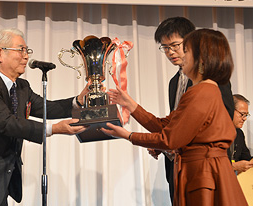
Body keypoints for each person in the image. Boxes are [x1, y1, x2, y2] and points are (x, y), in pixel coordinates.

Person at [0, 28, 88, 206]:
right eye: (21, 50)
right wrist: (53, 129)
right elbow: (7, 123)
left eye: (27, 51)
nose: (26, 56)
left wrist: (78, 101)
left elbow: (46, 108)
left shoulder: (21, 87)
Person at [102, 29, 247, 205]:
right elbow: (167, 125)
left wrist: (128, 135)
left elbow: (170, 138)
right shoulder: (205, 90)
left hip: (203, 174)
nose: (181, 57)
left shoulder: (202, 92)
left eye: (185, 51)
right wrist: (130, 105)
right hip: (202, 171)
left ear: (201, 59)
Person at [149, 17, 235, 204]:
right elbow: (176, 122)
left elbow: (225, 117)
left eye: (175, 45)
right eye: (165, 48)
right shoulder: (174, 82)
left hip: (205, 165)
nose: (170, 52)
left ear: (192, 42)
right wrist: (162, 144)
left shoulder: (211, 78)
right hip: (176, 163)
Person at [227, 94, 253, 174]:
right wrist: (234, 166)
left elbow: (246, 158)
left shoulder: (239, 133)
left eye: (246, 115)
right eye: (242, 114)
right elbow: (211, 163)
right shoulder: (216, 132)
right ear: (231, 110)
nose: (244, 118)